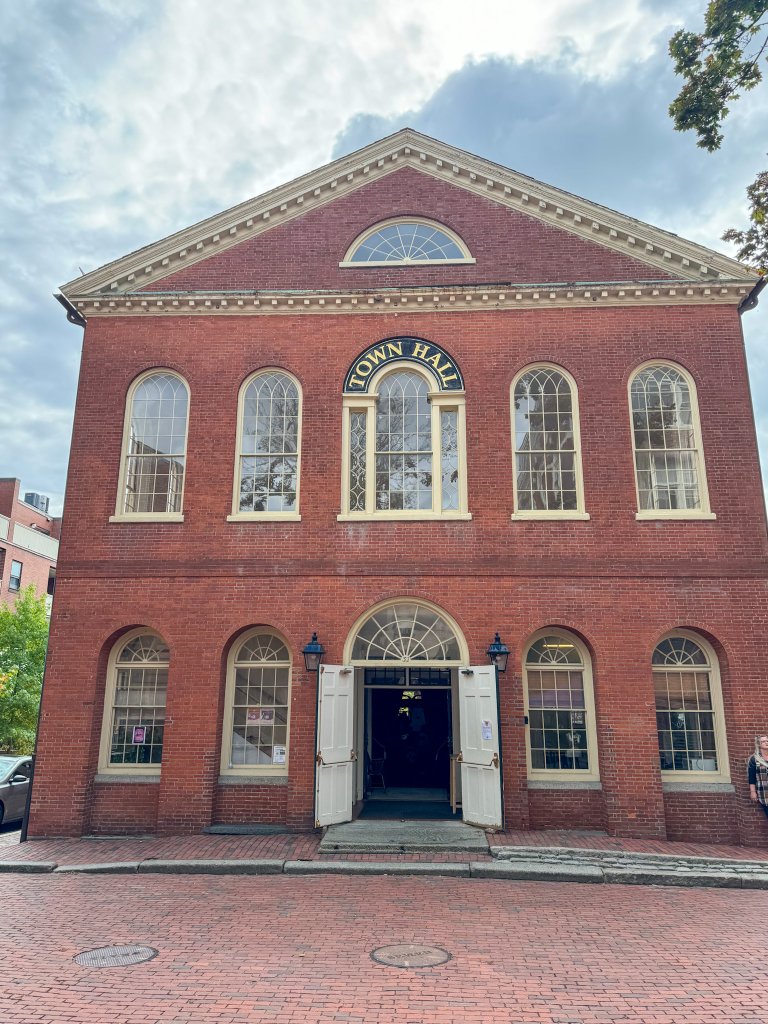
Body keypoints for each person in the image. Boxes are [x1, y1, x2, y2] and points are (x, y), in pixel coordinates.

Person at [748, 735, 768, 819]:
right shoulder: (754, 759)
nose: (767, 743)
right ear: (759, 744)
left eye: (767, 741)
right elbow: (751, 777)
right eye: (763, 741)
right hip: (764, 792)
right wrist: (753, 792)